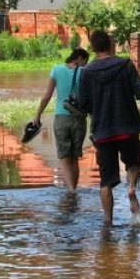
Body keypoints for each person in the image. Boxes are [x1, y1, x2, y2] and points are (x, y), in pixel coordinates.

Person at [77, 30, 140, 225]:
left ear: (93, 48)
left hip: (102, 132)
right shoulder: (125, 65)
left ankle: (108, 222)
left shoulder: (87, 72)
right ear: (110, 45)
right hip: (128, 128)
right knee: (134, 163)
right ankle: (131, 187)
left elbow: (83, 105)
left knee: (106, 181)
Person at [32, 48, 90, 194]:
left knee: (65, 157)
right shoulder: (85, 73)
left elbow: (47, 95)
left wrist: (38, 115)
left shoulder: (56, 70)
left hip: (61, 119)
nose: (85, 65)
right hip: (79, 118)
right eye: (85, 61)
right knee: (75, 157)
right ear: (79, 58)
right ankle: (73, 189)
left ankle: (70, 191)